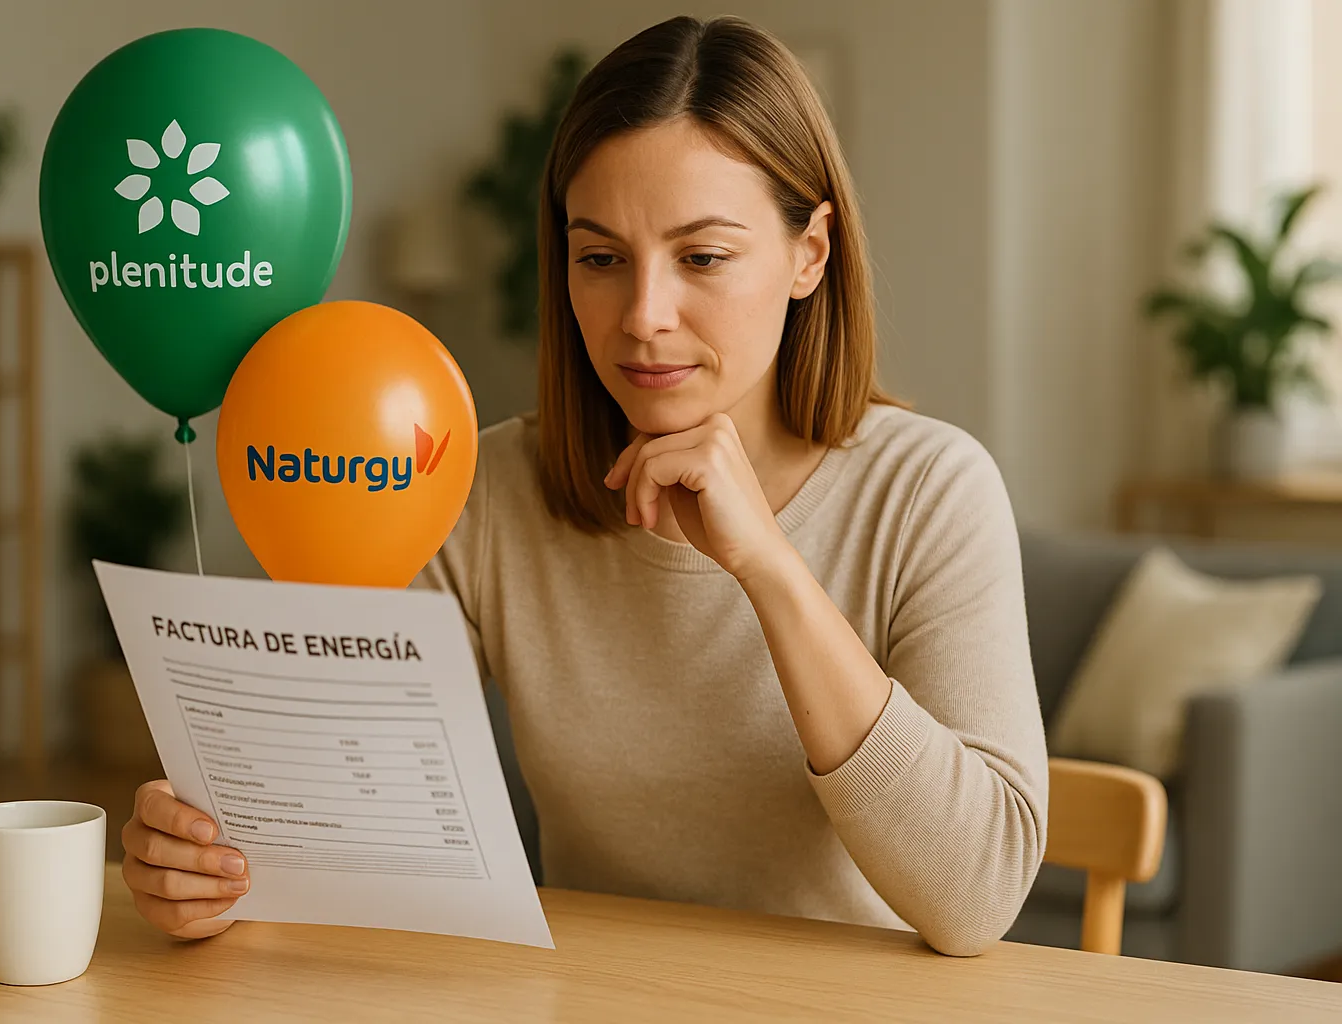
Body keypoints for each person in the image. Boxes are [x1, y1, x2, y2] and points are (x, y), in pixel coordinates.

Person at [120, 14, 1047, 957]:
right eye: (600, 258)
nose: (642, 317)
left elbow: (976, 899)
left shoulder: (932, 490)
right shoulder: (490, 490)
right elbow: (311, 808)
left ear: (810, 254)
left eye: (703, 257)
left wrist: (767, 566)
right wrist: (207, 861)